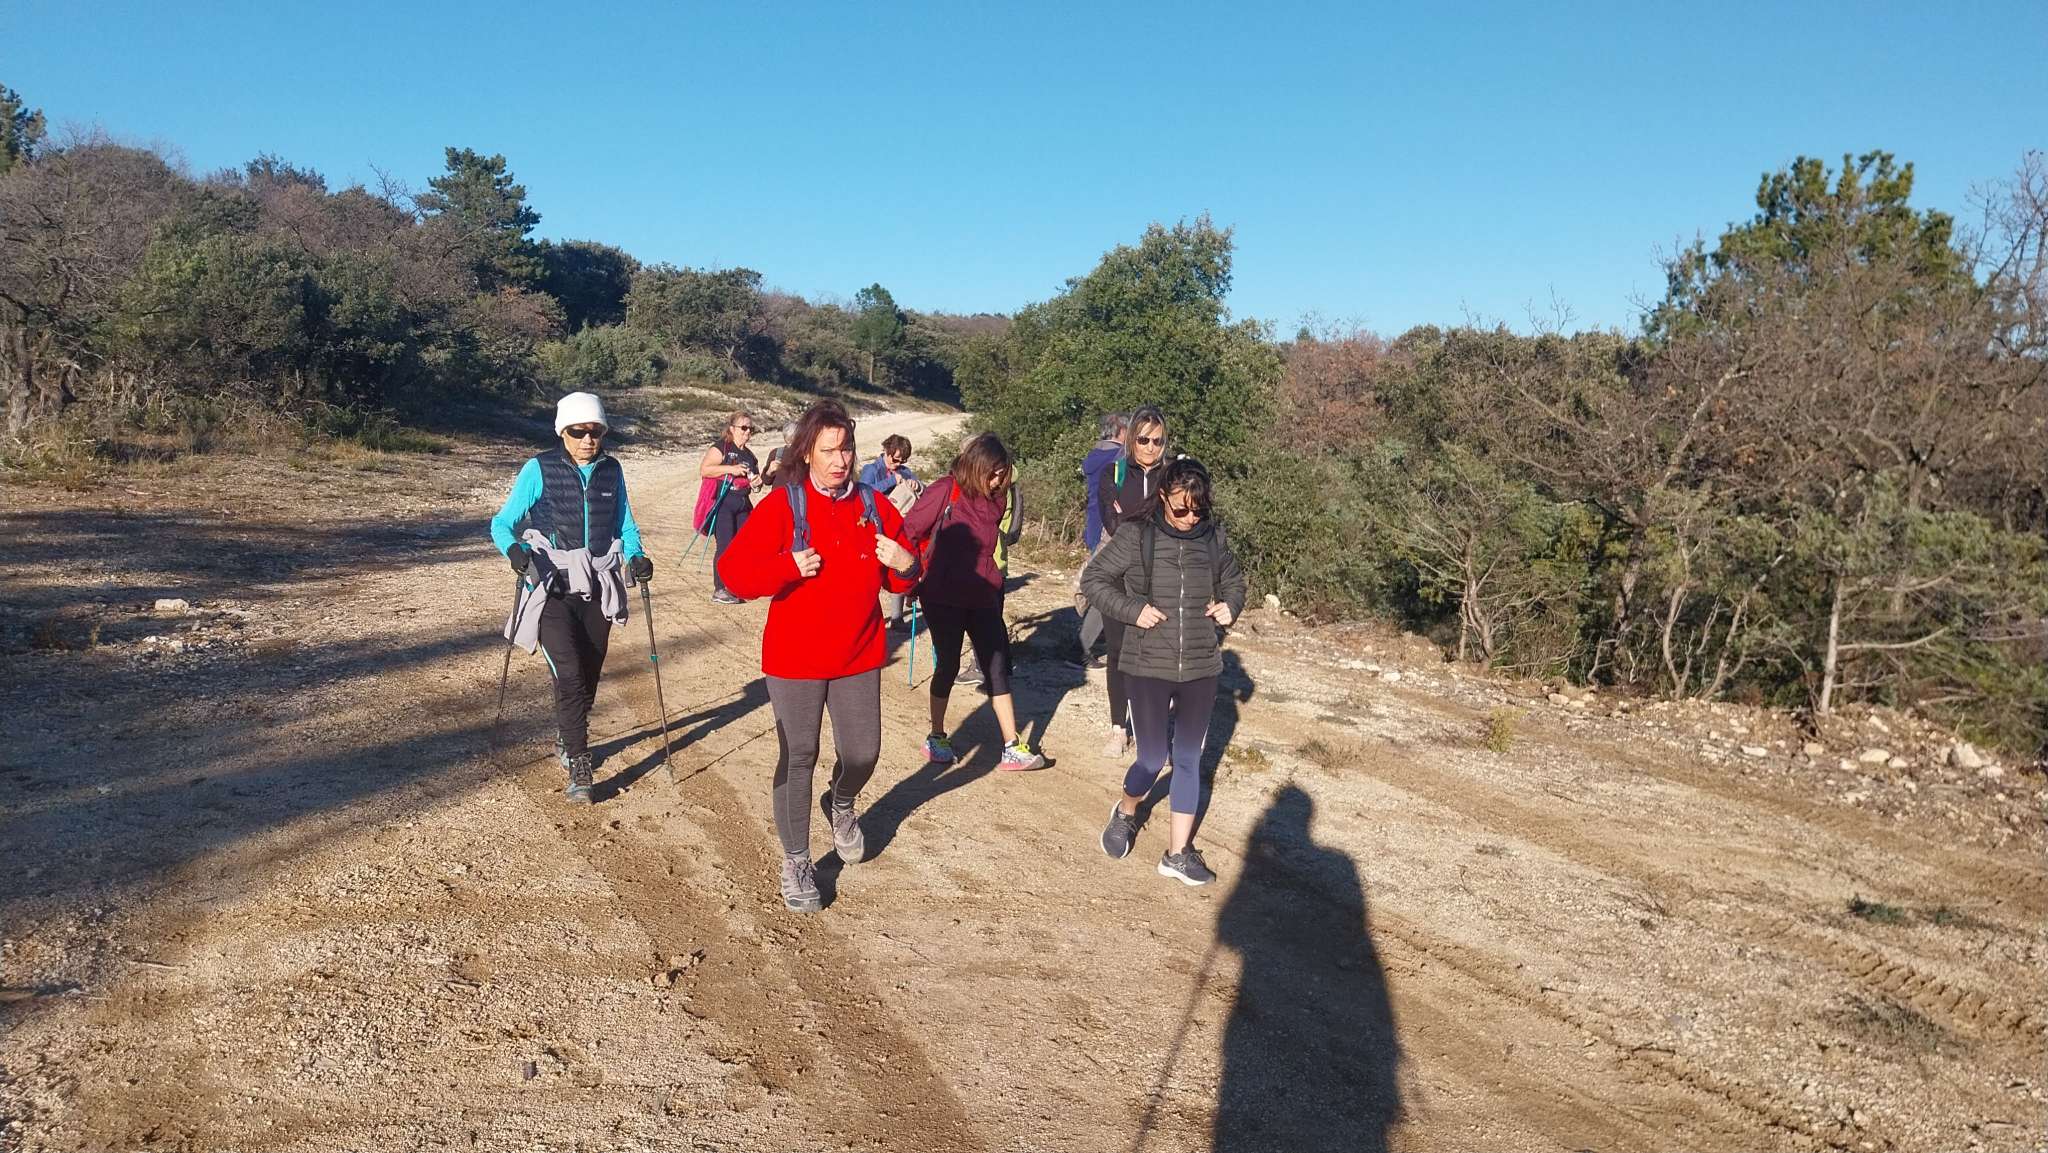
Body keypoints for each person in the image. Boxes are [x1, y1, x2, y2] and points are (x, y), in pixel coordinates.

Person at [717, 400, 920, 912]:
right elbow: (734, 574)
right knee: (799, 755)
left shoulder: (875, 505)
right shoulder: (783, 506)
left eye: (846, 449)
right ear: (806, 452)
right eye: (828, 451)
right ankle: (797, 860)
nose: (840, 460)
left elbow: (902, 579)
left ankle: (841, 802)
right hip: (795, 658)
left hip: (858, 653)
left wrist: (907, 563)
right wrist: (786, 567)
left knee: (863, 753)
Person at [1082, 457, 1245, 886]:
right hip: (1146, 664)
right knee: (1152, 759)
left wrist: (1231, 605)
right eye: (1181, 509)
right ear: (1162, 498)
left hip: (1201, 666)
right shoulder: (1136, 536)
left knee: (1188, 759)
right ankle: (1126, 811)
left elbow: (1234, 581)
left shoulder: (1213, 538)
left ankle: (1177, 855)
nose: (1191, 518)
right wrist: (1132, 610)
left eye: (1198, 509)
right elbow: (1094, 580)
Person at [489, 391, 654, 804]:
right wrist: (515, 552)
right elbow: (502, 523)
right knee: (570, 675)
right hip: (553, 588)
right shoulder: (538, 468)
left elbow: (625, 524)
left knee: (590, 675)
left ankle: (568, 734)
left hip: (597, 585)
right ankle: (580, 761)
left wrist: (636, 556)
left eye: (596, 432)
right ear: (562, 431)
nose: (588, 440)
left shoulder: (611, 470)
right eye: (578, 432)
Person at [903, 433, 1045, 771]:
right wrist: (908, 574)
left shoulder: (997, 498)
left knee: (997, 665)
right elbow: (909, 530)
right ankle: (937, 736)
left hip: (983, 592)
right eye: (992, 474)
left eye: (1002, 475)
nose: (997, 482)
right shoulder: (945, 490)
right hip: (942, 595)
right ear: (976, 466)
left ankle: (1012, 746)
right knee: (949, 664)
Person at [1093, 405, 1172, 759]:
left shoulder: (1172, 477)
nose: (1151, 447)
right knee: (1118, 650)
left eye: (1158, 441)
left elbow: (1180, 521)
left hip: (1160, 576)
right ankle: (1118, 728)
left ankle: (1151, 729)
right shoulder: (1114, 473)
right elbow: (1113, 523)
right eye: (1144, 440)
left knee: (1157, 653)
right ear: (1131, 440)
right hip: (1116, 576)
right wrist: (1149, 521)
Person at [1077, 412, 1128, 668]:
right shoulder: (1119, 458)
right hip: (1111, 528)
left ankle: (1091, 640)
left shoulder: (1094, 454)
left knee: (1107, 584)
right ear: (1121, 431)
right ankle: (1083, 646)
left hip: (1094, 525)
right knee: (1108, 587)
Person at [696, 411, 760, 605]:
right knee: (725, 546)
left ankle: (734, 585)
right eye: (743, 427)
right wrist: (731, 469)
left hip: (743, 504)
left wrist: (756, 484)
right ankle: (720, 589)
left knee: (744, 546)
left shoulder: (750, 456)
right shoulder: (721, 447)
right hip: (723, 503)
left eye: (750, 428)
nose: (747, 432)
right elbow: (705, 469)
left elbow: (755, 484)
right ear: (732, 428)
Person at [861, 434, 923, 624]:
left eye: (902, 461)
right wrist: (891, 482)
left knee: (899, 568)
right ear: (886, 451)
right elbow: (863, 491)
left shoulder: (905, 471)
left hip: (898, 528)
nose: (897, 464)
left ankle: (896, 618)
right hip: (874, 529)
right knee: (871, 576)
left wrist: (917, 485)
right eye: (895, 459)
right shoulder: (871, 469)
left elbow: (924, 492)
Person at [761, 421, 799, 486]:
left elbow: (766, 481)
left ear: (784, 437)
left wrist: (769, 471)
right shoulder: (806, 454)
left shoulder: (776, 453)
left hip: (779, 492)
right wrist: (770, 471)